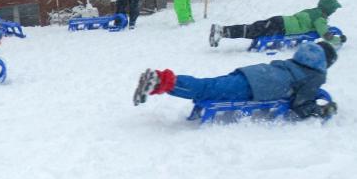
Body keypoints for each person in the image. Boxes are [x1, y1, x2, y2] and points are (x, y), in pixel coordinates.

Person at [133, 40, 337, 119]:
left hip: (252, 74)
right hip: (257, 87)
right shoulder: (315, 76)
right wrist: (321, 110)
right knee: (207, 90)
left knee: (210, 85)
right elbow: (302, 104)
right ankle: (161, 81)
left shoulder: (296, 62)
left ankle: (160, 79)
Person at [209, 0, 345, 48]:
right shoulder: (319, 19)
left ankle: (222, 30)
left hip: (280, 20)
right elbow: (326, 35)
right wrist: (339, 40)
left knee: (253, 28)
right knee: (253, 31)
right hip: (282, 28)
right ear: (328, 9)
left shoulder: (311, 11)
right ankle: (222, 32)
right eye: (333, 10)